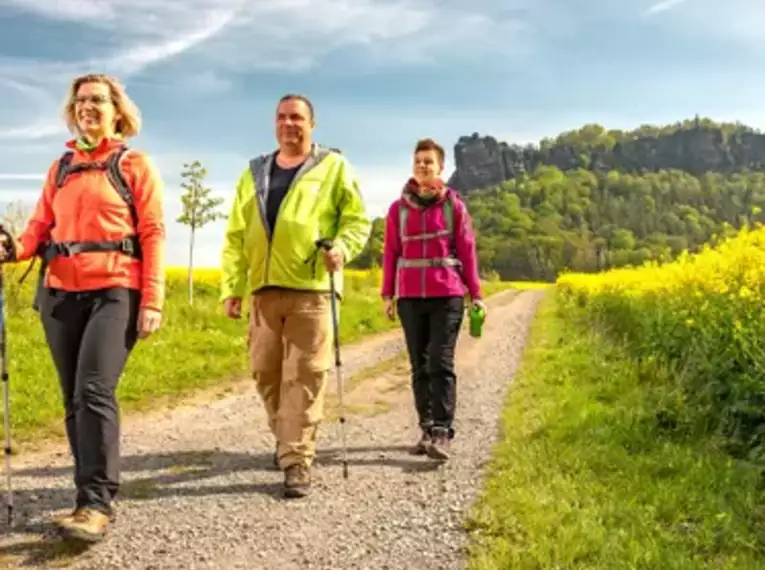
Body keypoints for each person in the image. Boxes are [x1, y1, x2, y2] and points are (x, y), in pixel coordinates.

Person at [0, 73, 165, 542]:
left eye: (97, 99)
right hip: (59, 293)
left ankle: (96, 503)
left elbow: (152, 233)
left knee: (94, 390)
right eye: (80, 101)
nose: (87, 107)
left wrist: (152, 300)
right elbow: (38, 227)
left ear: (117, 110)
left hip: (116, 289)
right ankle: (83, 496)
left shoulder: (133, 164)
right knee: (73, 399)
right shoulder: (61, 168)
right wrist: (12, 249)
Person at [220, 93, 371, 498]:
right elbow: (235, 237)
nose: (290, 124)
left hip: (313, 290)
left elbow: (357, 221)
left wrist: (341, 247)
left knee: (303, 376)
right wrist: (232, 287)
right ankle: (287, 439)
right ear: (275, 123)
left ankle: (296, 459)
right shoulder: (253, 172)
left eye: (298, 118)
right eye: (283, 117)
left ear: (312, 124)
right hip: (263, 292)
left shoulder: (334, 167)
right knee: (266, 373)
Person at [380, 138, 485, 461]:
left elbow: (467, 251)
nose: (423, 166)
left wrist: (476, 293)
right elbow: (391, 253)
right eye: (418, 161)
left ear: (441, 168)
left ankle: (442, 430)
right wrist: (388, 294)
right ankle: (425, 427)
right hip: (410, 297)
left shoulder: (454, 207)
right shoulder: (397, 210)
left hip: (448, 294)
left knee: (440, 362)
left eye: (429, 162)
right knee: (418, 366)